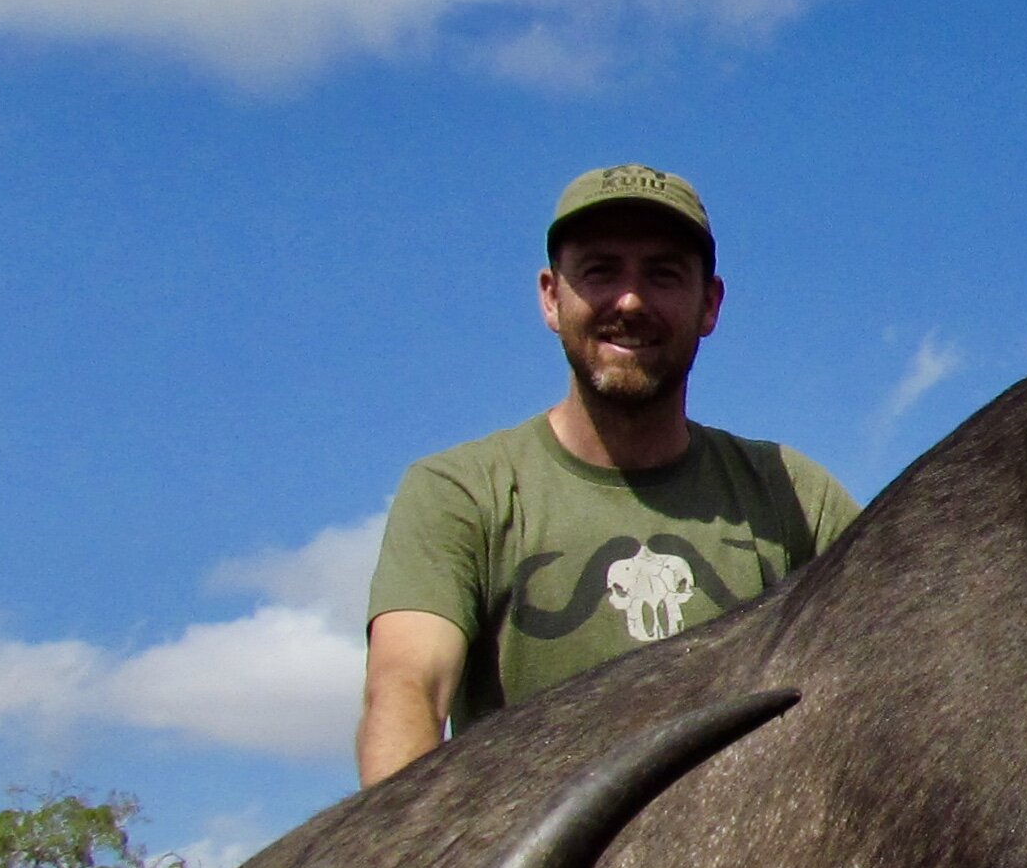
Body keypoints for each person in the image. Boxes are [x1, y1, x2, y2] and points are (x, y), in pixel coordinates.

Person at [358, 165, 858, 784]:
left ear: (709, 305)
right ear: (550, 298)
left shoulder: (796, 495)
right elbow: (408, 687)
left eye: (663, 274)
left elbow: (893, 673)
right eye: (600, 271)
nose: (630, 300)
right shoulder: (462, 490)